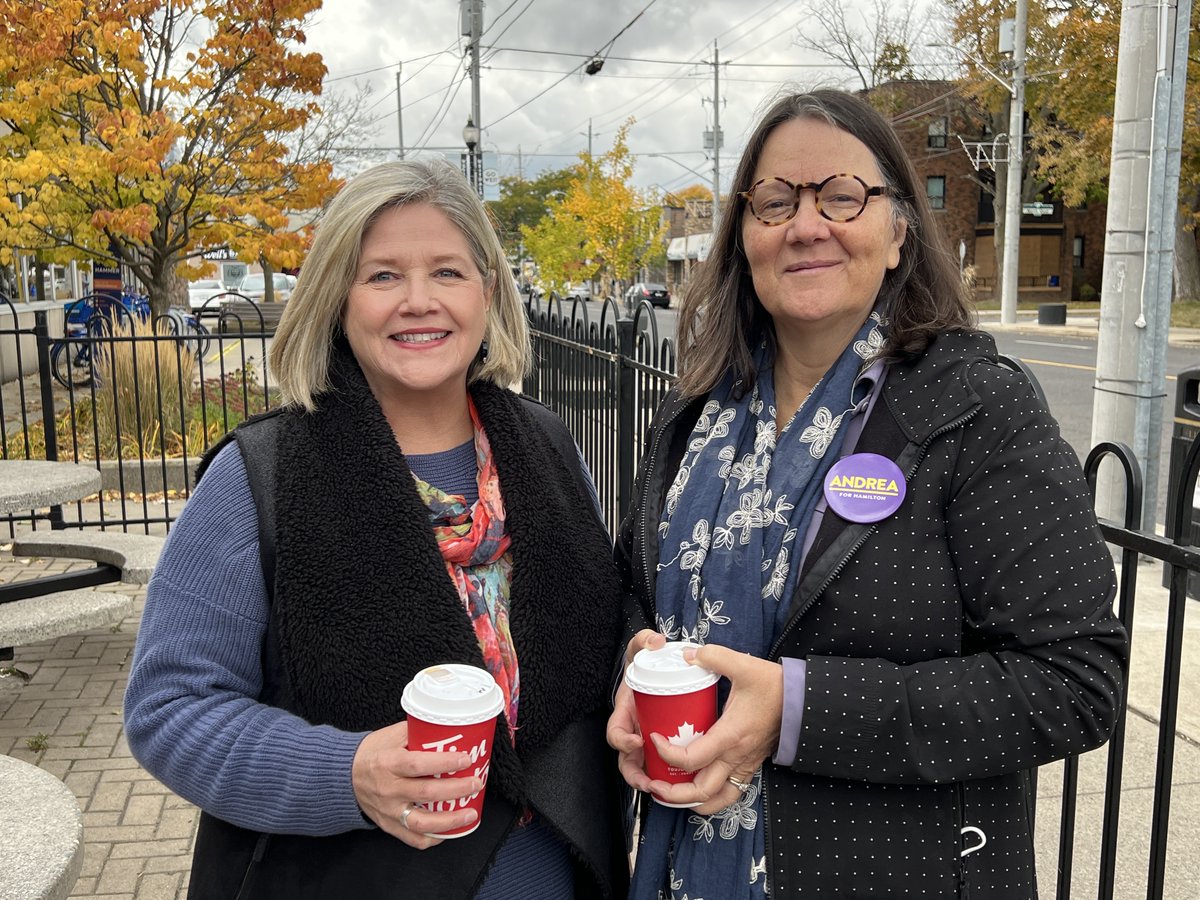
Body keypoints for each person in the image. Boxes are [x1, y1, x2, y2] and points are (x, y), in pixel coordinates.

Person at [606, 88, 1128, 900]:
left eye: (842, 196)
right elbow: (630, 597)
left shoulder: (975, 410)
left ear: (898, 234)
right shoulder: (694, 417)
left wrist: (800, 710)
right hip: (682, 871)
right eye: (774, 201)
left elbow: (1078, 680)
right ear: (744, 238)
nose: (806, 224)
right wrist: (631, 677)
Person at [125, 159, 628, 899]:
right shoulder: (258, 477)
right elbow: (169, 708)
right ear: (338, 300)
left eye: (448, 273)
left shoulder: (550, 448)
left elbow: (597, 649)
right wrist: (347, 774)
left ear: (488, 292)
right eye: (383, 276)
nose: (418, 302)